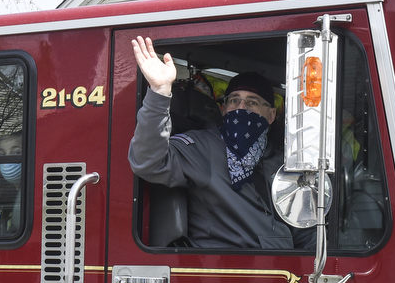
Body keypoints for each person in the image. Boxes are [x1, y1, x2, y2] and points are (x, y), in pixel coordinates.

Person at [128, 36, 302, 249]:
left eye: (253, 102)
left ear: (271, 115)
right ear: (223, 109)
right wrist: (160, 92)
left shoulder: (282, 160)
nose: (241, 107)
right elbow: (147, 162)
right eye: (234, 100)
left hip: (286, 269)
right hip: (230, 269)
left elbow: (304, 224)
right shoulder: (203, 147)